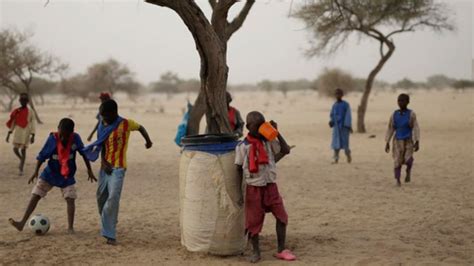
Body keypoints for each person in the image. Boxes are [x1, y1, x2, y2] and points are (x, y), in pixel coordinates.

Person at [83, 99, 153, 245]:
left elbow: (141, 127)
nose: (103, 118)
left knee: (113, 197)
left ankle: (110, 234)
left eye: (105, 116)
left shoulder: (126, 123)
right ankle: (109, 220)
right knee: (101, 198)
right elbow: (101, 145)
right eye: (101, 116)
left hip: (119, 168)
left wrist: (148, 141)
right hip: (105, 168)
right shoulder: (102, 125)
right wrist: (103, 163)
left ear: (114, 113)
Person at [8, 118, 96, 233]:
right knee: (36, 195)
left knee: (70, 198)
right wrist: (35, 172)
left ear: (72, 132)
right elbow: (42, 156)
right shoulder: (52, 139)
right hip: (50, 173)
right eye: (61, 134)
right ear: (58, 130)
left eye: (66, 135)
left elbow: (84, 153)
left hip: (67, 175)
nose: (63, 138)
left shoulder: (76, 138)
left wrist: (89, 170)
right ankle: (22, 223)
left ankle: (70, 228)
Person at [235, 111, 296, 263]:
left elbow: (285, 150)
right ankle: (256, 252)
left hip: (270, 186)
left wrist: (276, 132)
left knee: (282, 217)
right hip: (253, 188)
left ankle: (281, 250)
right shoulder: (243, 146)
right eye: (257, 126)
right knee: (253, 223)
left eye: (263, 125)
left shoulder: (268, 141)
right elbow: (237, 169)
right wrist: (238, 192)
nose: (261, 129)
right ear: (248, 127)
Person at [385, 93, 420, 186]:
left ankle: (408, 171)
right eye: (399, 101)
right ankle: (397, 180)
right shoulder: (394, 114)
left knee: (408, 159)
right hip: (397, 141)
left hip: (408, 141)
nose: (400, 103)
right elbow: (390, 128)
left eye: (403, 101)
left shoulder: (411, 114)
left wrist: (417, 141)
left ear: (407, 102)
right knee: (397, 161)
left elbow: (415, 127)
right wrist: (387, 142)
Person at [5, 93, 36, 175]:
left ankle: (21, 169)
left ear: (27, 101)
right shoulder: (17, 111)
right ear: (19, 101)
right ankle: (21, 159)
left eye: (25, 101)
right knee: (15, 149)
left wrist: (33, 135)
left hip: (26, 132)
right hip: (18, 132)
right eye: (21, 101)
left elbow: (33, 123)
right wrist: (9, 133)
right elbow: (14, 123)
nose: (23, 102)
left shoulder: (30, 111)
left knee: (23, 150)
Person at [329, 88, 352, 164]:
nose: (337, 95)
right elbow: (332, 115)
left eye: (339, 94)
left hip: (344, 127)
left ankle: (348, 156)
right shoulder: (334, 105)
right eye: (336, 94)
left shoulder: (346, 105)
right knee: (336, 145)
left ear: (342, 95)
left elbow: (348, 116)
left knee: (346, 145)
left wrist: (348, 125)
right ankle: (336, 159)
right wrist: (331, 121)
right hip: (336, 128)